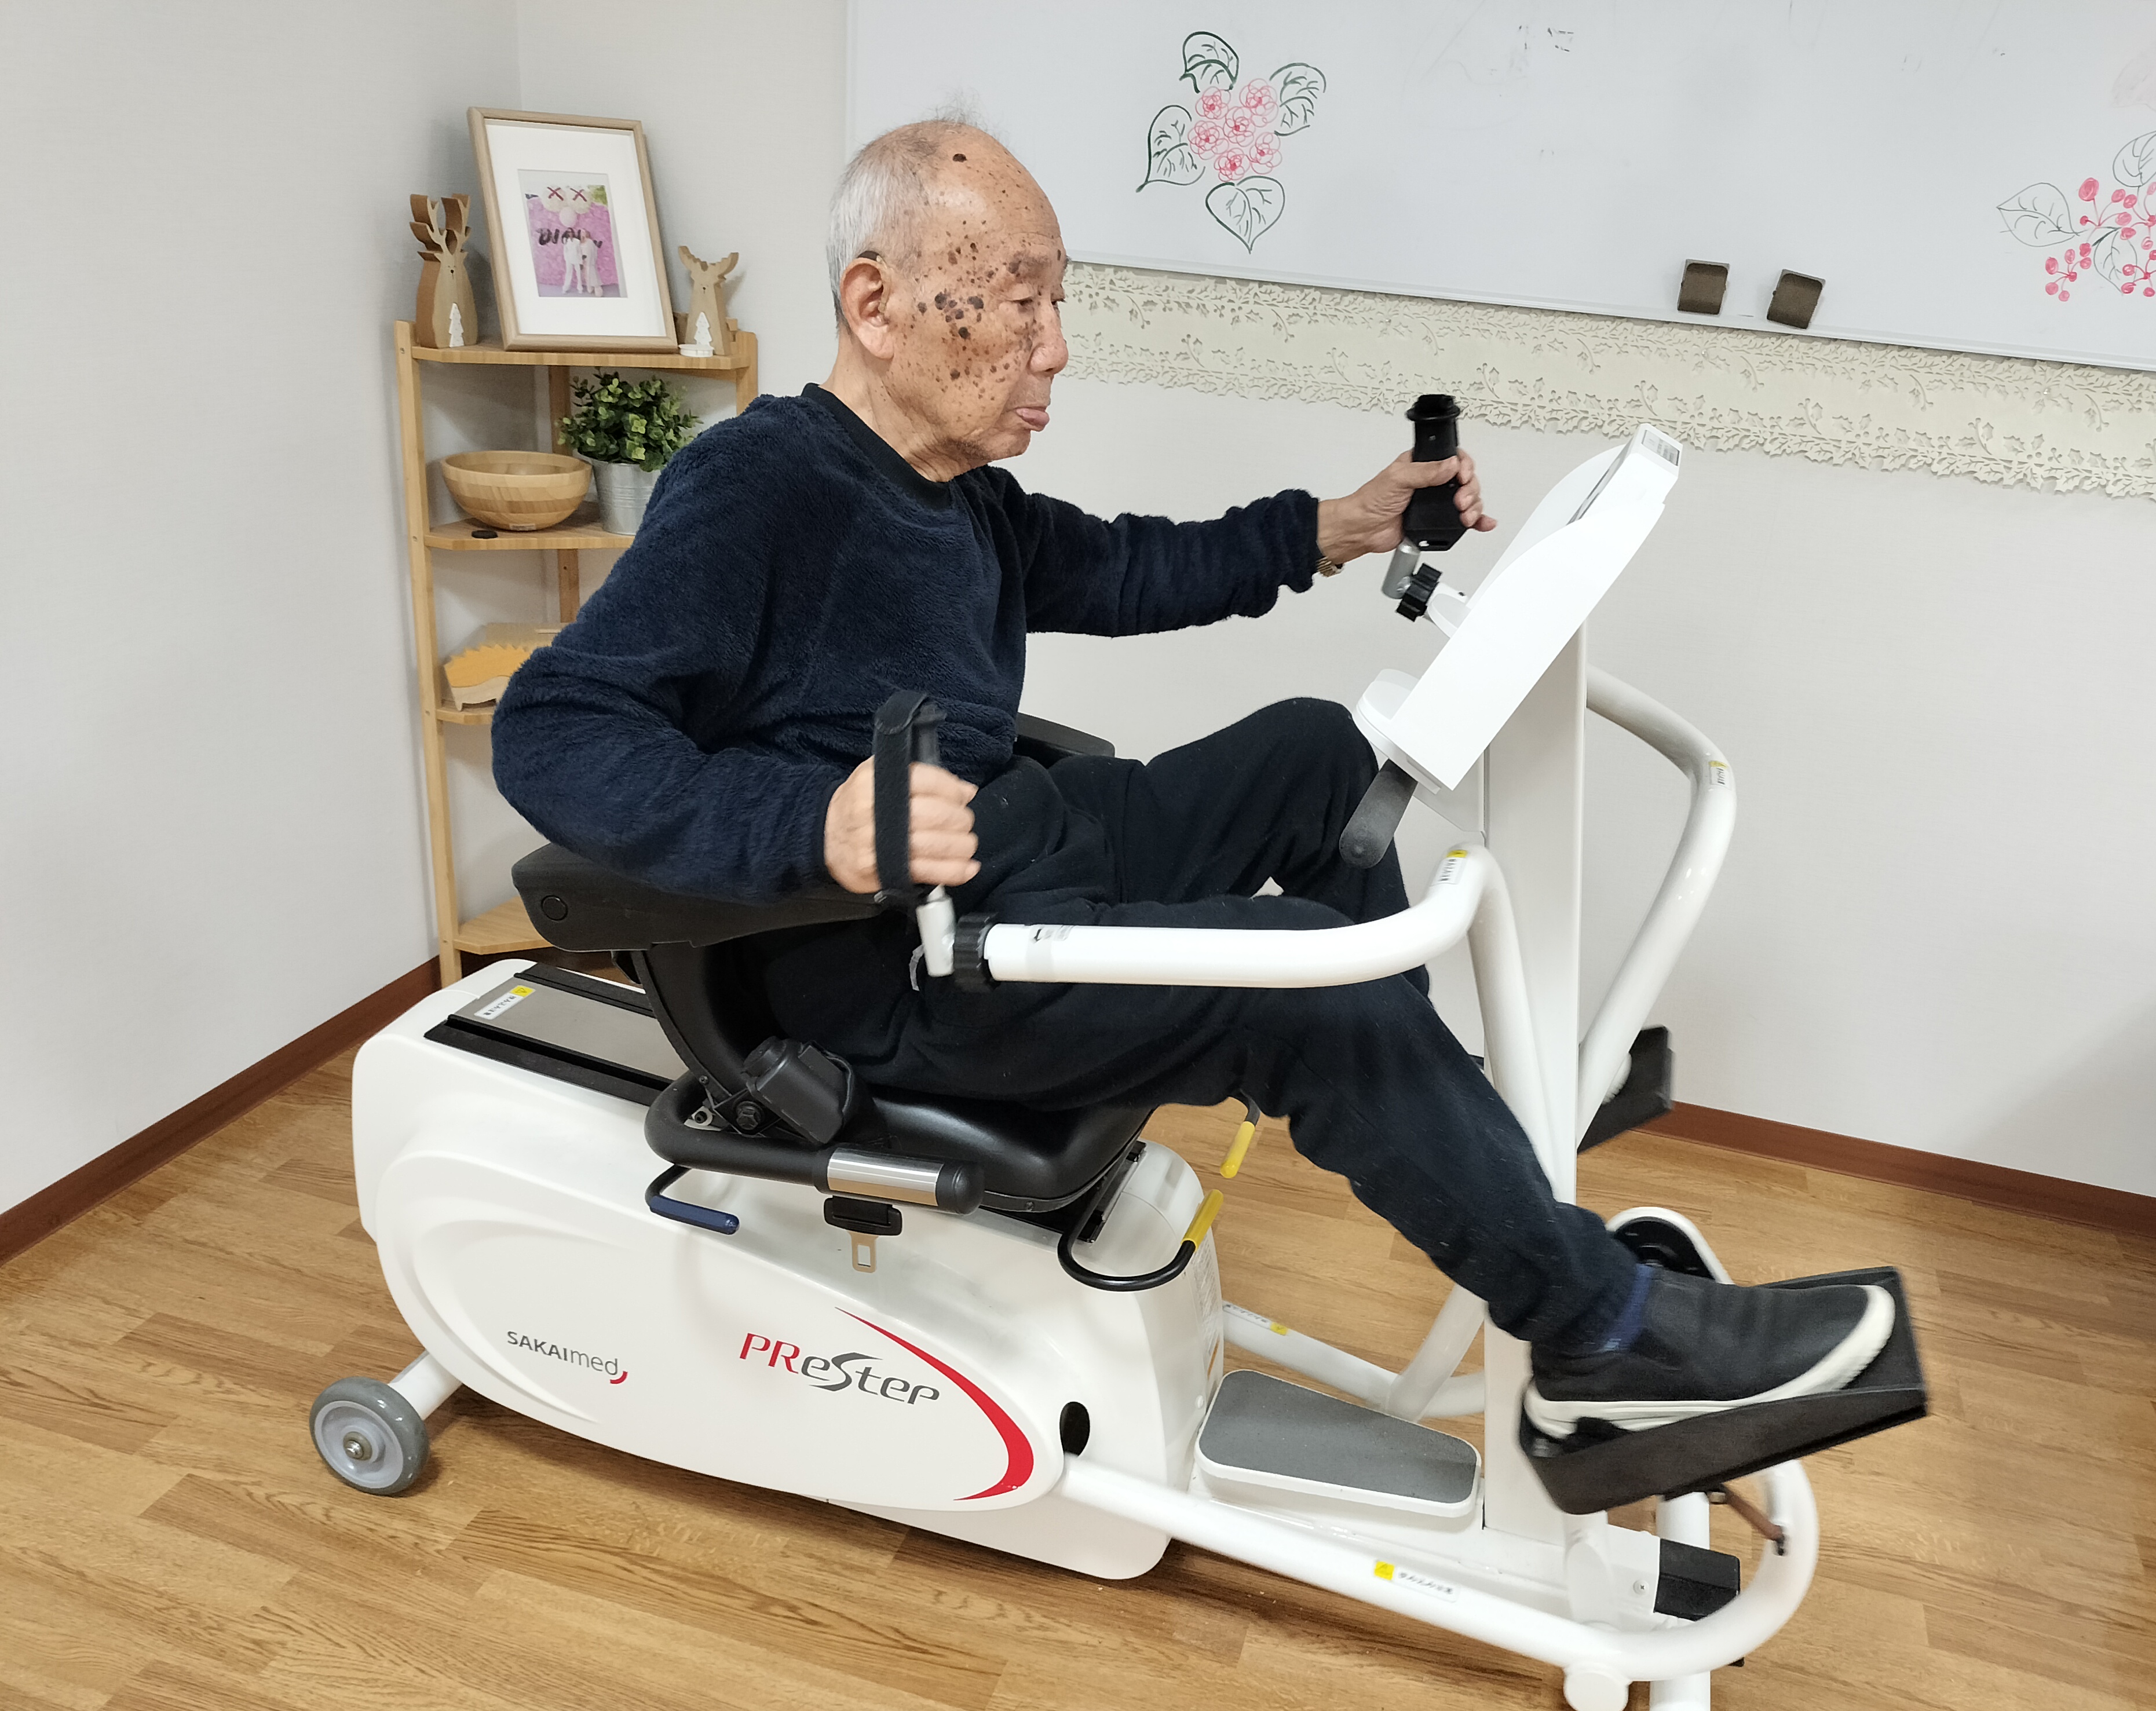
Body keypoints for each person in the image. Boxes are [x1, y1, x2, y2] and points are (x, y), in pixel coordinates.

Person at [492, 119, 1892, 1445]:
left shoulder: (955, 492)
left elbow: (1128, 566)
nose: (1054, 347)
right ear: (878, 303)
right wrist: (812, 823)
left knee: (1318, 755)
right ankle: (1603, 1336)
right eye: (1020, 302)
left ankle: (1439, 1121)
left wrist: (1343, 524)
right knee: (1307, 988)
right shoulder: (758, 487)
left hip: (1016, 850)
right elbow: (553, 727)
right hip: (891, 967)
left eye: (1058, 302)